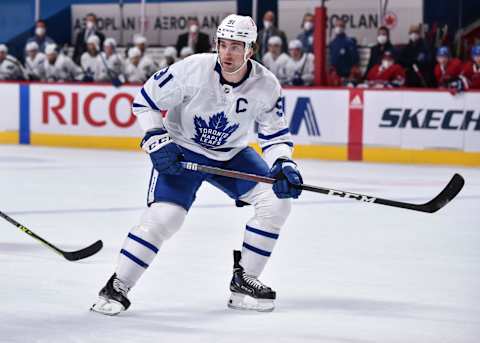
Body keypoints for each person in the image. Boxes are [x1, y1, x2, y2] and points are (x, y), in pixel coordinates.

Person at [91, 14, 302, 316]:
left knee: (276, 203)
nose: (227, 53)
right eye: (223, 45)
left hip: (231, 152)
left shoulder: (266, 85)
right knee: (166, 218)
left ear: (251, 50)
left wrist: (283, 164)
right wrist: (156, 139)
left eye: (236, 47)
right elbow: (145, 100)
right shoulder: (192, 69)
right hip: (183, 148)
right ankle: (117, 285)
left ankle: (245, 279)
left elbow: (275, 135)